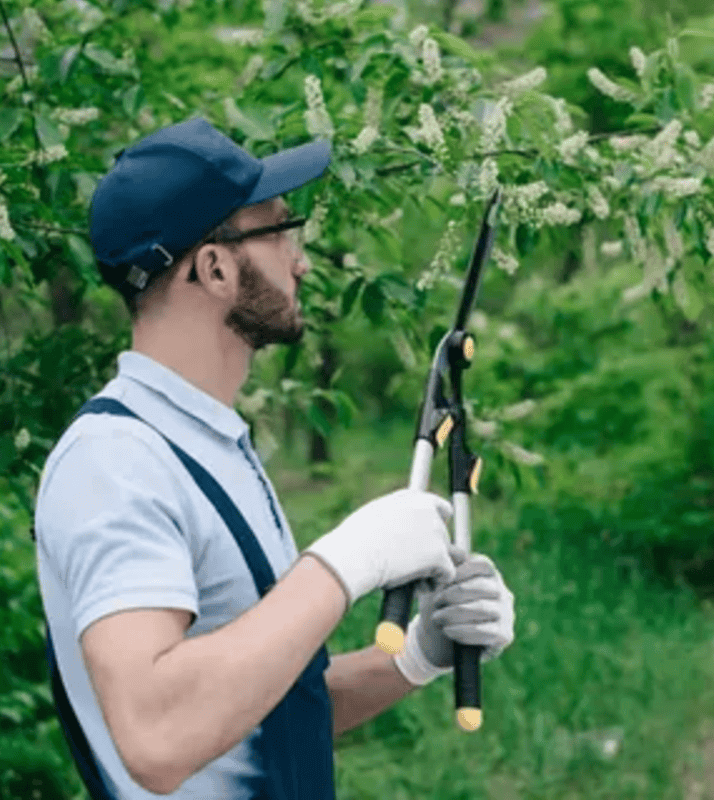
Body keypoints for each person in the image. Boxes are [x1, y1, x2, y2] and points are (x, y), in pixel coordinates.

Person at [33, 117, 516, 799]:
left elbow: (261, 710)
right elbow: (157, 735)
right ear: (216, 266)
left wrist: (418, 655)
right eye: (280, 230)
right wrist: (344, 563)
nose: (301, 259)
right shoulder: (115, 461)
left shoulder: (211, 446)